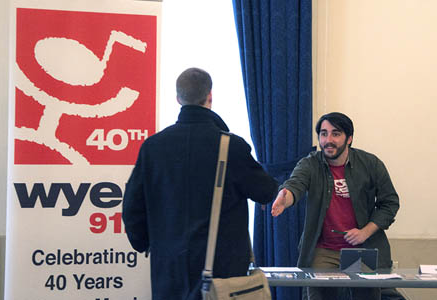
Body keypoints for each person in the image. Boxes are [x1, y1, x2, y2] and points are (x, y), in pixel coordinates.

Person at [122, 67, 278, 300]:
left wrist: (147, 243)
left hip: (169, 270)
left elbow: (132, 208)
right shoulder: (231, 146)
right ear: (210, 96)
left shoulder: (153, 147)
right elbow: (266, 191)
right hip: (222, 274)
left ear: (178, 99)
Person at [271, 112, 400, 300]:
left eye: (335, 134)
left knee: (366, 295)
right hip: (324, 249)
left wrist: (365, 231)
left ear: (349, 139)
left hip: (362, 249)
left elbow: (390, 203)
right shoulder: (310, 164)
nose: (328, 140)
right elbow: (295, 184)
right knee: (318, 294)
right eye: (323, 134)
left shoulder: (371, 164)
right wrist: (286, 197)